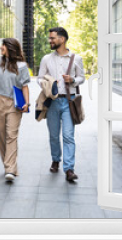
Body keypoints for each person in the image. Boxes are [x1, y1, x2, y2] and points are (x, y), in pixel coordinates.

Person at [37, 27, 85, 182]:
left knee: (68, 136)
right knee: (53, 135)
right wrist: (47, 84)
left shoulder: (75, 58)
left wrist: (73, 80)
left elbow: (82, 77)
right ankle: (55, 159)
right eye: (50, 38)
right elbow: (39, 78)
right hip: (52, 102)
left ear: (62, 39)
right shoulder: (46, 59)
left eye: (53, 38)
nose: (50, 41)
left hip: (69, 101)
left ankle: (69, 169)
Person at [0, 38, 31, 182]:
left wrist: (27, 102)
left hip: (15, 104)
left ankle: (10, 169)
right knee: (1, 135)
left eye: (4, 45)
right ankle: (8, 164)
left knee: (11, 135)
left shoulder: (21, 65)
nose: (1, 47)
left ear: (10, 48)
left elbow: (24, 86)